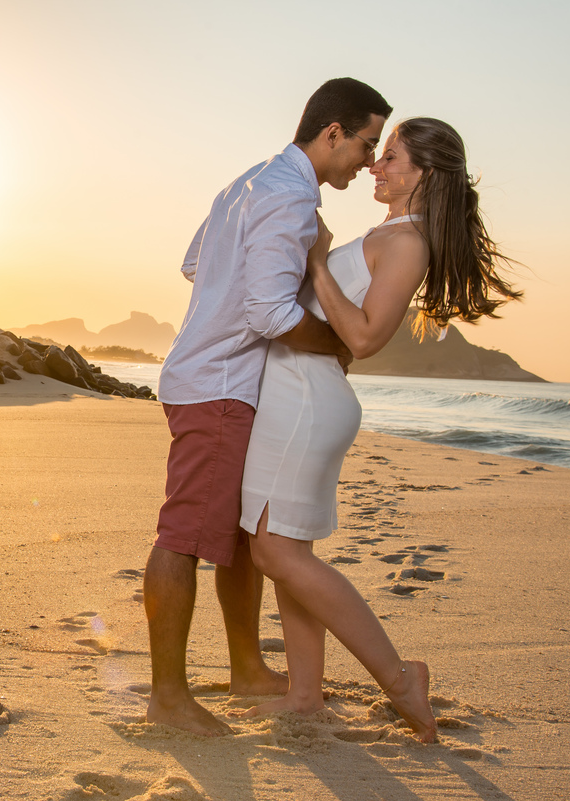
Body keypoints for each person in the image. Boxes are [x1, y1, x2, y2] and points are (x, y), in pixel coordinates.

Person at [234, 117, 521, 743]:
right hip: (300, 392)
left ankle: (399, 679)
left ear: (425, 174)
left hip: (308, 401)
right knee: (287, 552)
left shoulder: (408, 242)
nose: (375, 165)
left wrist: (315, 264)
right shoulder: (390, 232)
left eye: (390, 157)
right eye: (379, 154)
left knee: (274, 551)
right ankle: (304, 693)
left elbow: (364, 338)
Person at [146, 78, 392, 736]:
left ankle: (247, 668)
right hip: (219, 387)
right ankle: (167, 697)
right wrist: (337, 346)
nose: (368, 161)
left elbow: (196, 263)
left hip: (213, 377)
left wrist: (232, 296)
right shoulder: (290, 198)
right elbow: (272, 312)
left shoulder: (250, 181)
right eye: (366, 144)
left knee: (236, 540)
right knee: (186, 535)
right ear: (332, 131)